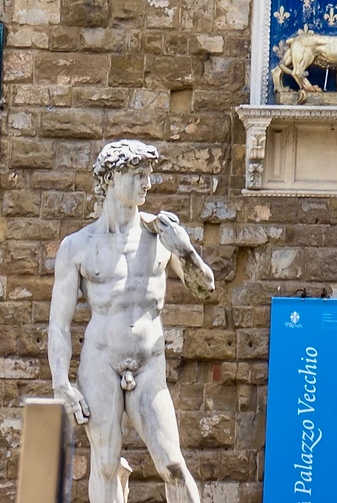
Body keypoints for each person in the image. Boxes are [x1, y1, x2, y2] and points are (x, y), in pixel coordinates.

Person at [48, 139, 215, 503]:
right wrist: (61, 382)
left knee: (172, 463)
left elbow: (205, 289)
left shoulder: (161, 235)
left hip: (149, 365)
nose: (148, 184)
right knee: (105, 464)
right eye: (139, 175)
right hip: (100, 361)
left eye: (148, 175)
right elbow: (59, 324)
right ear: (110, 177)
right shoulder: (77, 246)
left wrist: (186, 250)